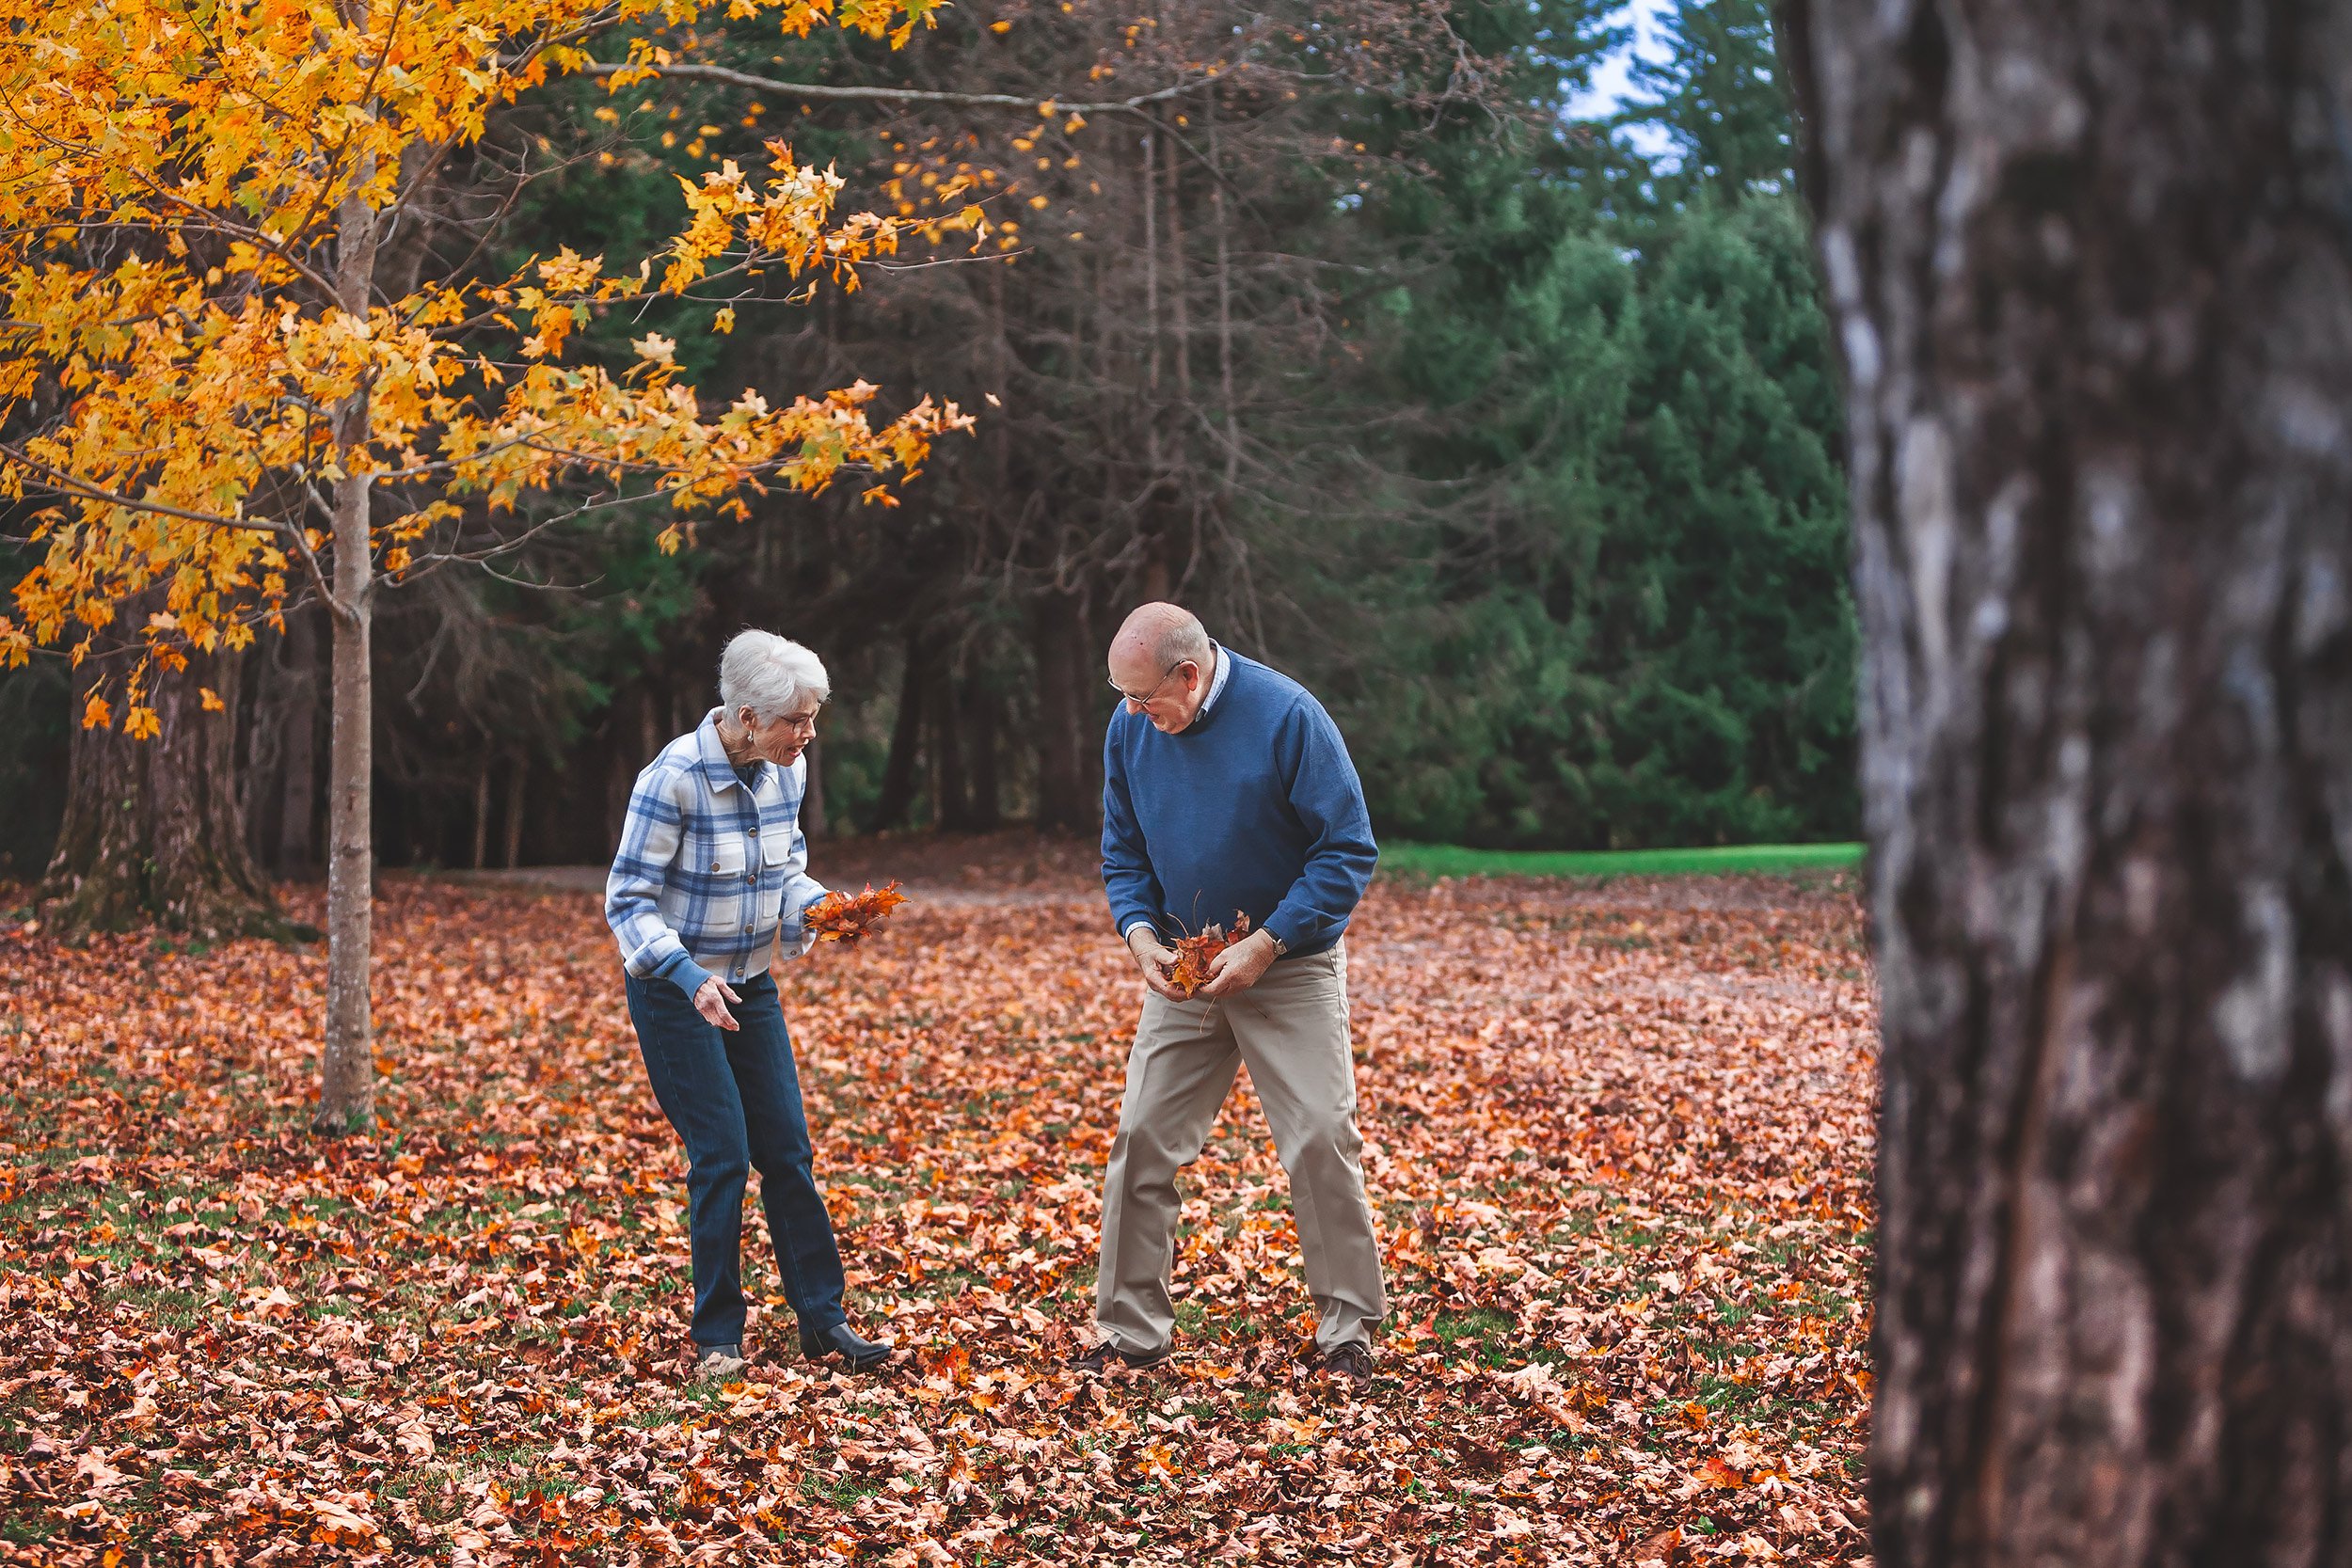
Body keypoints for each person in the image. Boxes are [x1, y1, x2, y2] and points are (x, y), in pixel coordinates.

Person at [1079, 602, 1387, 1386]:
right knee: (1142, 1138)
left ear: (1190, 673)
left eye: (1145, 699)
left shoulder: (1287, 716)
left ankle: (1348, 1326)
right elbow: (1123, 850)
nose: (1134, 715)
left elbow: (1347, 848)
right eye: (1124, 699)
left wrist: (1269, 940)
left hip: (1288, 962)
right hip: (1186, 961)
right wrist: (1139, 933)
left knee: (1321, 1135)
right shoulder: (1131, 728)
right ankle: (1129, 1330)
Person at [606, 630, 892, 1379]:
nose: (810, 732)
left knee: (787, 1150)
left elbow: (785, 875)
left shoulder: (782, 774)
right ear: (745, 715)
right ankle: (718, 1339)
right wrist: (685, 974)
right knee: (723, 1154)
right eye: (797, 719)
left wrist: (823, 909)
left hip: (751, 984)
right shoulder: (671, 780)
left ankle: (824, 1323)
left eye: (813, 716)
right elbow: (628, 901)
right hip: (676, 992)